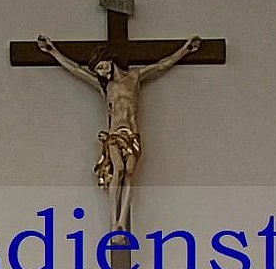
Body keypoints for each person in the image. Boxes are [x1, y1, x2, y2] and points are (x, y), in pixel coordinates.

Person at [35, 34, 201, 234]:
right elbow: (76, 70)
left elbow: (160, 66)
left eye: (102, 67)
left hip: (132, 134)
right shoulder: (105, 86)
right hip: (114, 134)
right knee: (119, 170)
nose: (101, 73)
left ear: (110, 60)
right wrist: (53, 51)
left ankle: (122, 219)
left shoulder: (134, 77)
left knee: (129, 173)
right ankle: (114, 222)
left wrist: (185, 50)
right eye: (98, 71)